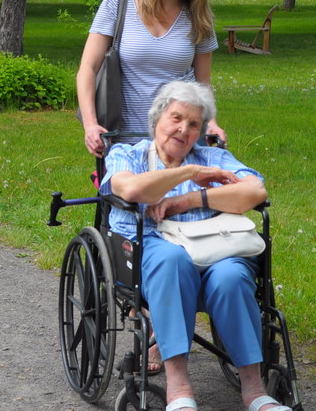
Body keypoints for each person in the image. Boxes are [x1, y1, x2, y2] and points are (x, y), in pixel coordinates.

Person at [100, 81, 291, 411]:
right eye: (176, 118)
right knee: (172, 261)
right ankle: (179, 388)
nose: (183, 129)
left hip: (215, 248)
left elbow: (254, 192)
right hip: (155, 246)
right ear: (157, 117)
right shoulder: (127, 154)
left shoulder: (214, 156)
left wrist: (188, 199)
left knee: (232, 277)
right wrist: (188, 171)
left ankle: (255, 390)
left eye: (193, 125)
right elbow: (131, 190)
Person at [76, 0, 227, 157]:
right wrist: (90, 124)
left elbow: (202, 84)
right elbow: (88, 69)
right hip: (126, 143)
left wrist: (212, 122)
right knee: (135, 193)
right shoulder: (119, 0)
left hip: (182, 142)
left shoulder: (199, 16)